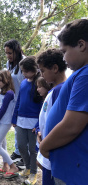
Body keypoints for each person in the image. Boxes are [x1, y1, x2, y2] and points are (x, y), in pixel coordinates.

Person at [39, 19, 88, 185]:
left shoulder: (86, 76)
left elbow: (72, 125)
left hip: (75, 171)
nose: (63, 57)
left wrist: (45, 146)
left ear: (81, 45)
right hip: (70, 166)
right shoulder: (81, 73)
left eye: (64, 51)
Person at [36, 49, 67, 185]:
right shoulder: (54, 90)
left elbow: (60, 123)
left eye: (43, 70)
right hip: (47, 145)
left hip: (51, 150)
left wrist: (45, 144)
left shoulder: (60, 91)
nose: (41, 74)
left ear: (55, 68)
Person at [12, 56, 43, 185]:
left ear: (34, 70)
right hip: (21, 120)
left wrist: (38, 124)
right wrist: (14, 116)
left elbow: (42, 104)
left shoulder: (39, 83)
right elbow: (19, 100)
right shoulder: (24, 82)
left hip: (33, 122)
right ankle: (27, 167)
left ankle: (33, 173)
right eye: (22, 71)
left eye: (25, 71)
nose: (23, 74)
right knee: (21, 146)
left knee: (32, 149)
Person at [0, 70, 19, 178]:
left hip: (6, 121)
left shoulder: (10, 93)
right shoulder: (0, 93)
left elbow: (3, 108)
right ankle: (5, 166)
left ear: (7, 80)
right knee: (3, 144)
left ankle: (13, 166)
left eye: (0, 80)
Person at [4, 39, 25, 166]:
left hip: (23, 100)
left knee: (24, 129)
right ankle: (18, 151)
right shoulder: (9, 64)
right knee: (16, 126)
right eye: (6, 53)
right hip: (14, 100)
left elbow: (26, 83)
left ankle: (25, 155)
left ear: (16, 51)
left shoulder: (24, 63)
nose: (8, 56)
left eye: (10, 53)